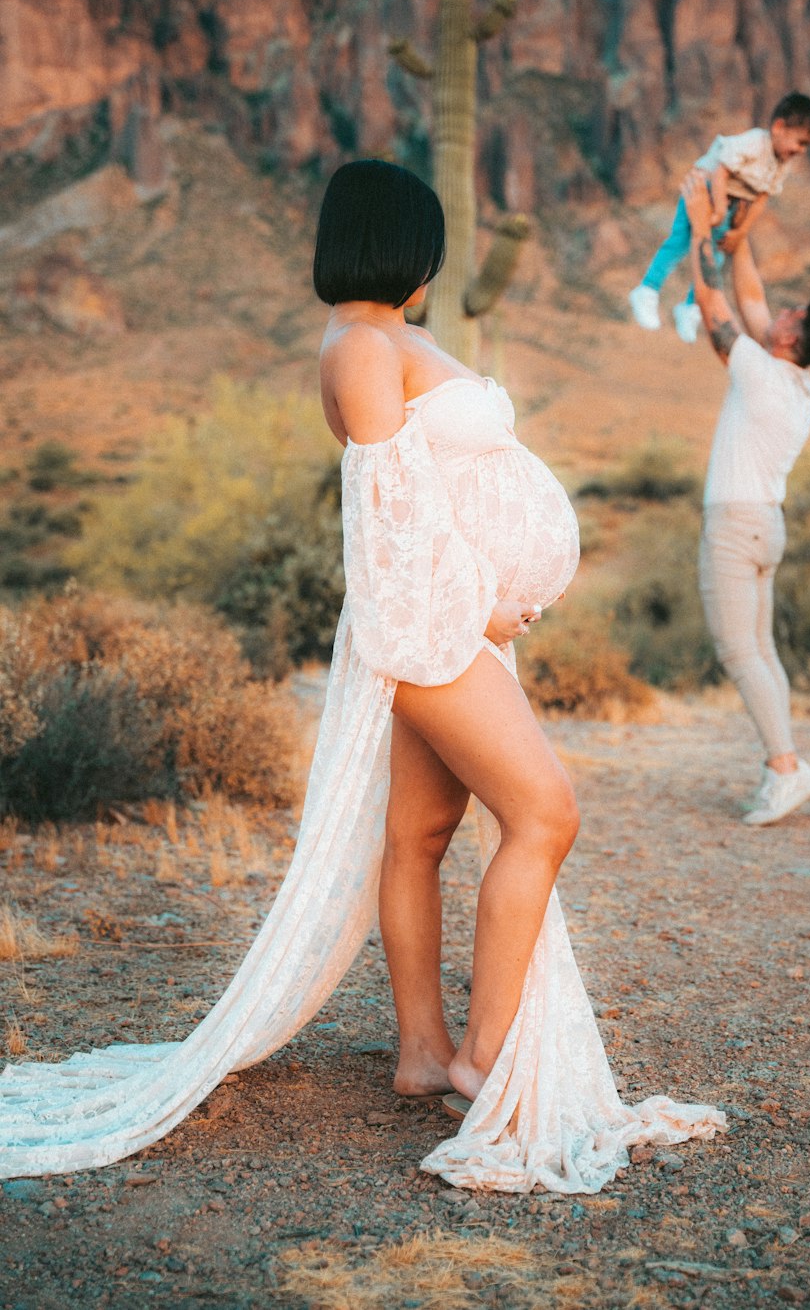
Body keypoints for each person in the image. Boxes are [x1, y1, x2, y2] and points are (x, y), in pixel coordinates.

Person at [0, 161, 725, 1193]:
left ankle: (422, 1054)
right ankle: (477, 1057)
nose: (433, 266)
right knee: (545, 815)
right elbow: (387, 520)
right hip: (429, 626)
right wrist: (476, 606)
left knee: (420, 835)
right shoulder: (356, 350)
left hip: (454, 621)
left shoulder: (392, 337)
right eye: (426, 247)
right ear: (400, 246)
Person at [681, 170, 810, 826]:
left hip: (734, 525)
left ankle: (783, 769)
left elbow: (714, 305)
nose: (779, 310)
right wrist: (735, 237)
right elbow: (746, 295)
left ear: (789, 337)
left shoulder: (758, 373)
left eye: (790, 314)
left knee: (740, 653)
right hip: (764, 526)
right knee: (763, 651)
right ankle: (788, 764)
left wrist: (700, 226)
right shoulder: (794, 382)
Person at [629, 93, 810, 341]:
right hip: (705, 189)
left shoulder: (781, 164)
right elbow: (721, 172)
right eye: (800, 142)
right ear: (779, 127)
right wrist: (719, 209)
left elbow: (762, 197)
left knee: (717, 257)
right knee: (679, 242)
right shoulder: (755, 142)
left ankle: (691, 307)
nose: (800, 151)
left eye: (806, 146)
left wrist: (741, 231)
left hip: (731, 203)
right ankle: (647, 289)